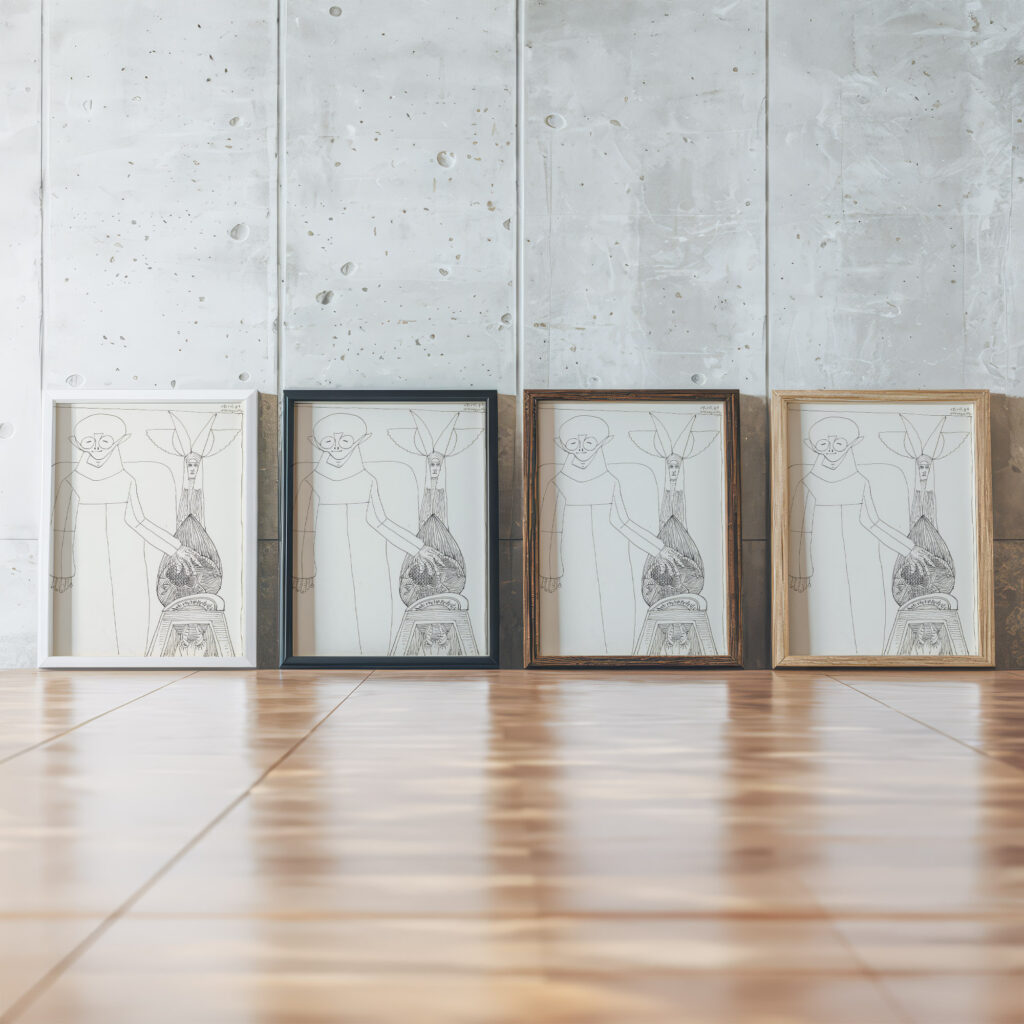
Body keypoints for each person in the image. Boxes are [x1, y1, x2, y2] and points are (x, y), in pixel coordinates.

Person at [293, 413, 445, 655]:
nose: (337, 447)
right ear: (318, 444)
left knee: (375, 612)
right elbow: (303, 531)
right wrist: (304, 571)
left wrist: (417, 548)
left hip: (370, 558)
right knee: (335, 617)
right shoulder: (311, 482)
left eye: (344, 441)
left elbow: (380, 521)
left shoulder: (367, 480)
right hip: (332, 562)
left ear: (358, 441)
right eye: (329, 441)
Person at [51, 413, 202, 656]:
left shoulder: (126, 480)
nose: (98, 447)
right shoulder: (71, 482)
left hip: (128, 558)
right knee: (91, 618)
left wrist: (175, 548)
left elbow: (138, 521)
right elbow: (61, 528)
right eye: (90, 441)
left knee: (133, 613)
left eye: (105, 440)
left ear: (119, 441)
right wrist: (61, 570)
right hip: (90, 560)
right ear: (78, 444)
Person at [539, 415, 688, 655]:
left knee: (616, 614)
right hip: (575, 562)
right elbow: (549, 530)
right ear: (564, 446)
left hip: (613, 559)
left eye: (588, 442)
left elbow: (623, 522)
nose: (580, 449)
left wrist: (659, 549)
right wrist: (549, 571)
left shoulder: (610, 481)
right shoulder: (557, 484)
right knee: (579, 617)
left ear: (601, 443)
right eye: (573, 443)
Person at [789, 416, 931, 654]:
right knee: (830, 617)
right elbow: (799, 529)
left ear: (853, 443)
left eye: (839, 443)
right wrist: (800, 570)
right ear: (812, 446)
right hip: (825, 561)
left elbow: (873, 522)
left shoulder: (860, 481)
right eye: (824, 444)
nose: (832, 449)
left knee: (868, 614)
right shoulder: (807, 483)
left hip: (863, 559)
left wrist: (908, 548)